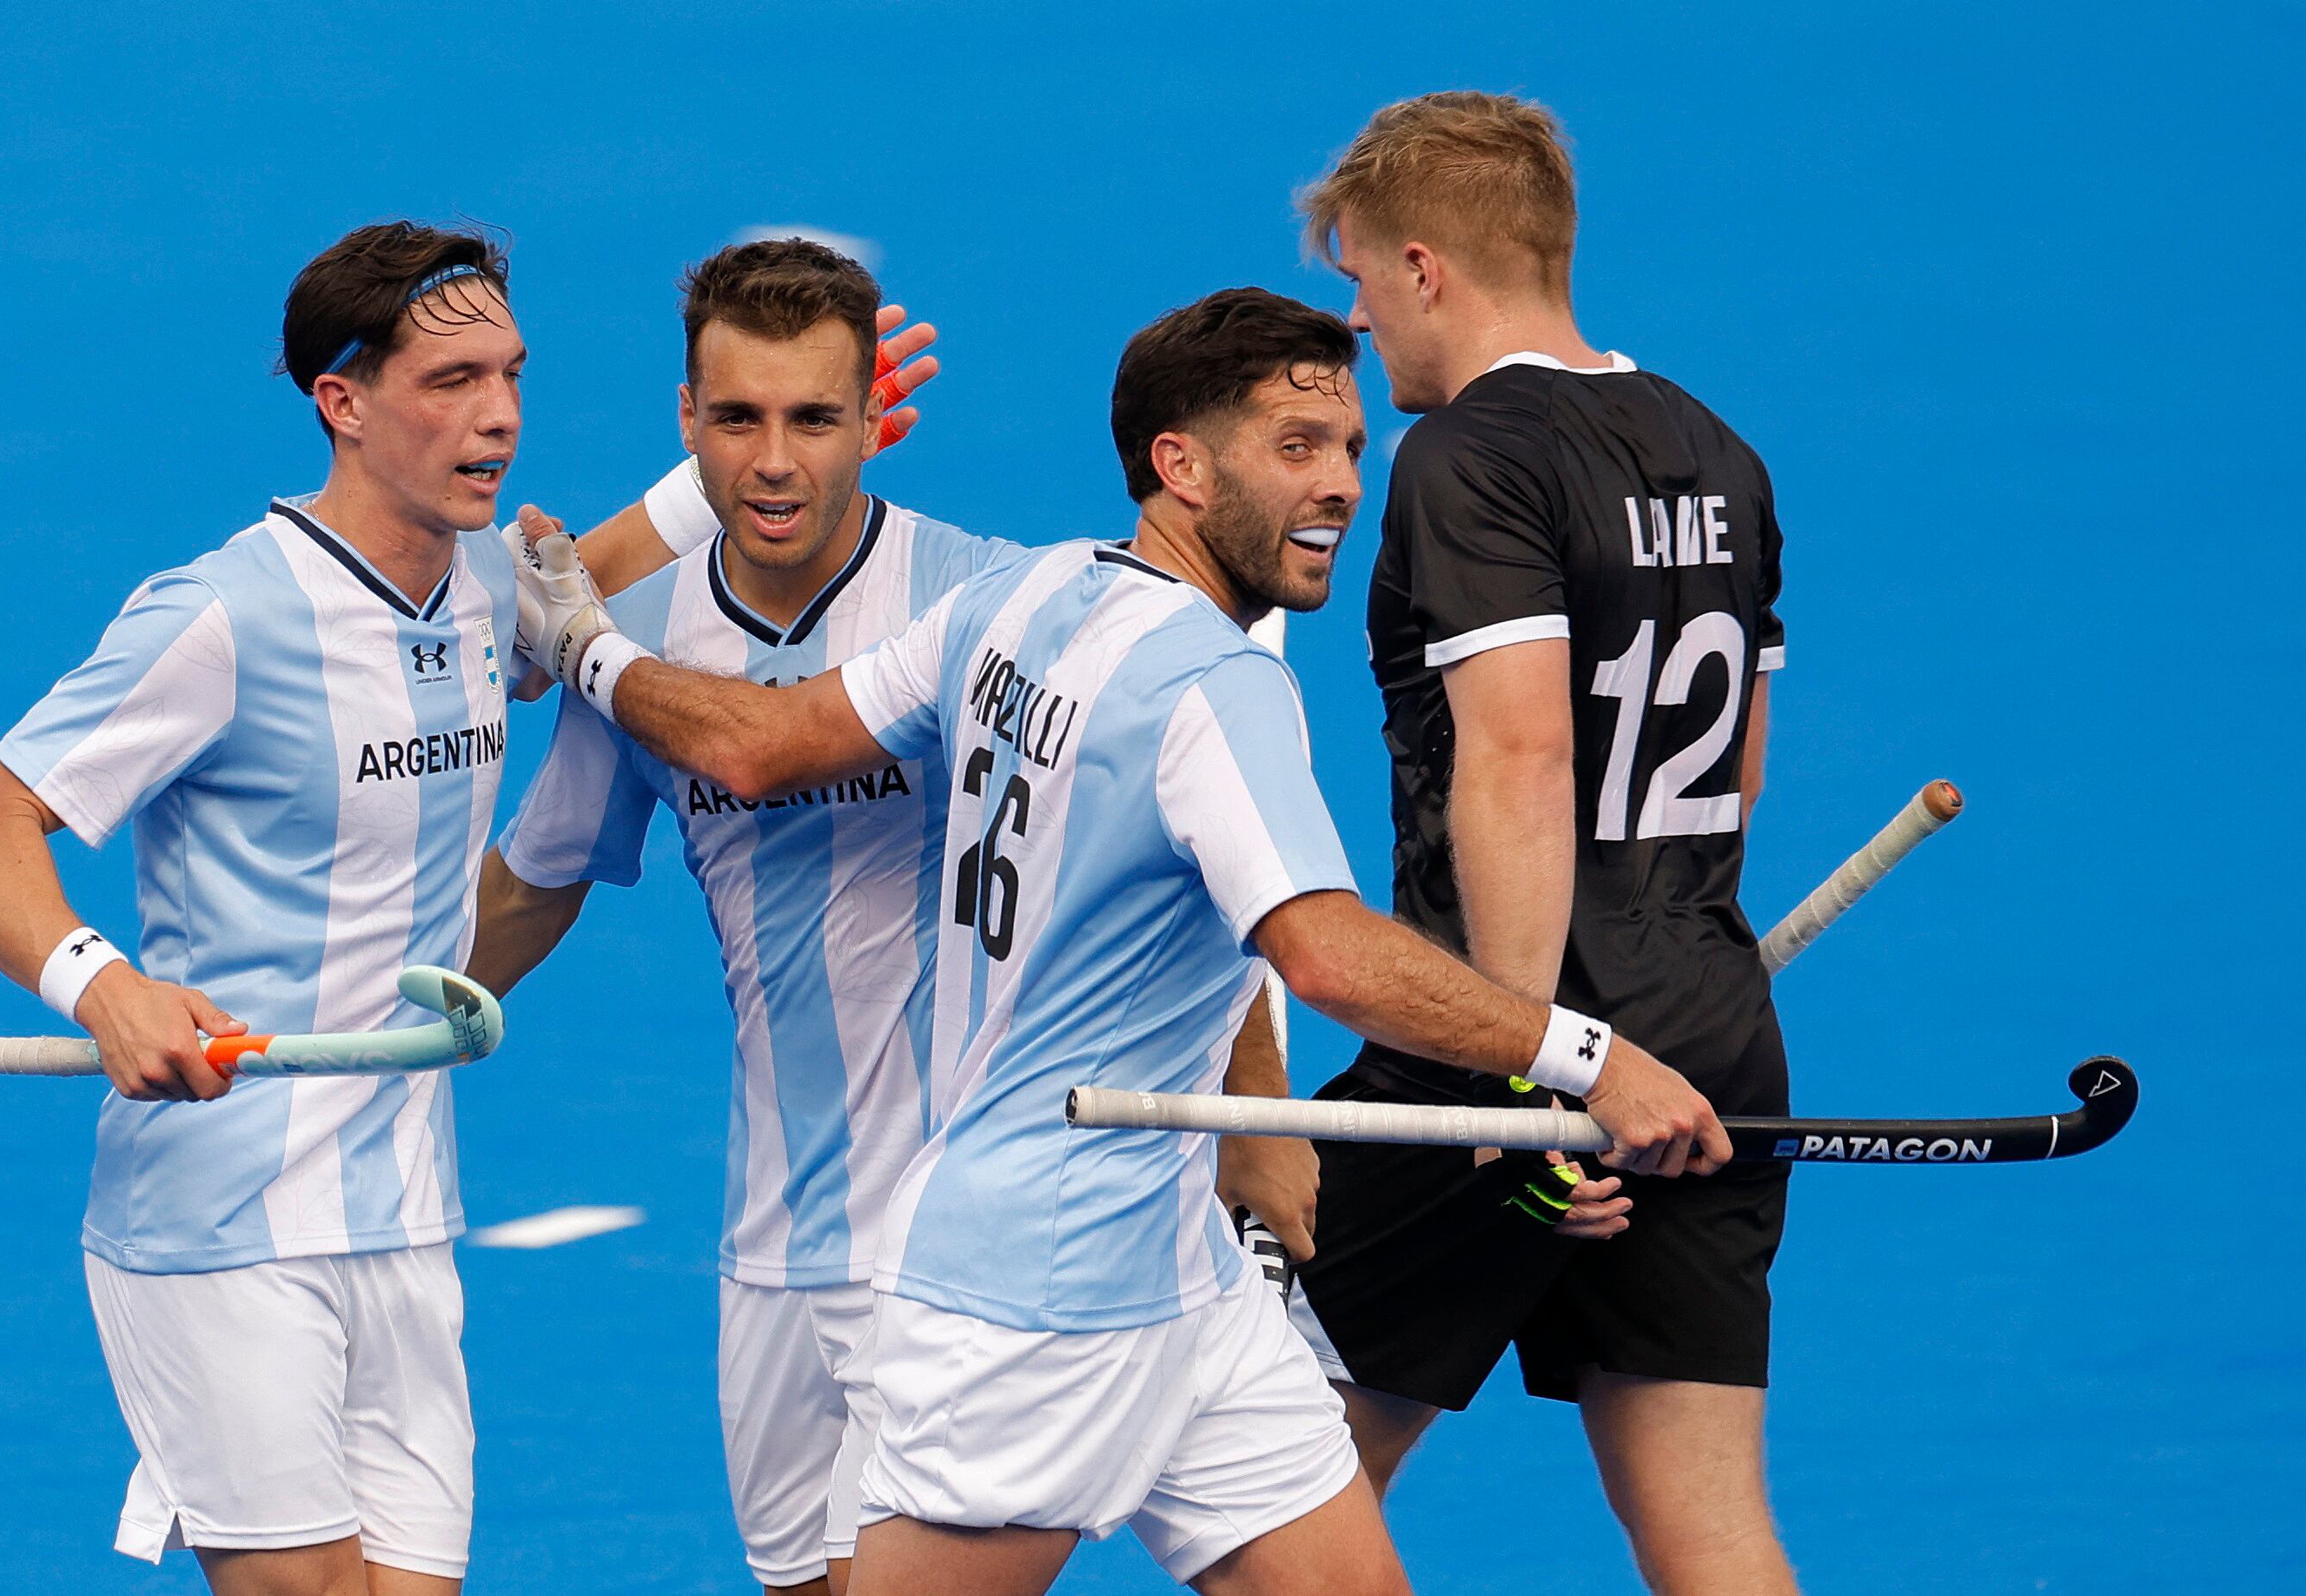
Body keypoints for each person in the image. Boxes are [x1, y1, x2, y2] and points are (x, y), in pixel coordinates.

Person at [510, 287, 1727, 1596]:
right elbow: (1318, 949)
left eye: (1348, 449)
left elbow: (770, 737)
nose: (1338, 489)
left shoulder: (1019, 597)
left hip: (1173, 1267)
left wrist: (582, 636)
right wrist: (1586, 1056)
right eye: (1295, 449)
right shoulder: (1216, 687)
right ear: (1181, 467)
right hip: (1028, 1293)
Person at [0, 222, 534, 1595]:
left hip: (407, 1210)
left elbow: (588, 573)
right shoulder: (223, 616)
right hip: (220, 1216)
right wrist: (100, 981)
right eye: (449, 382)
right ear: (344, 403)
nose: (495, 414)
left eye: (509, 374)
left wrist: (758, 472)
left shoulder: (487, 583)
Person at [1290, 91, 1799, 1594]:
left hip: (1511, 1047)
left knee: (1267, 1486)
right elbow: (1736, 779)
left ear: (1428, 266)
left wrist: (1529, 1061)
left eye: (1366, 284)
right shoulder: (1721, 454)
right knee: (1705, 1528)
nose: (1364, 324)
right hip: (1705, 1028)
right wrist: (1659, 990)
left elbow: (1517, 758)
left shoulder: (1469, 457)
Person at [466, 238, 1025, 1596]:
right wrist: (352, 1043)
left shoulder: (988, 603)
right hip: (773, 1238)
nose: (775, 462)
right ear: (685, 425)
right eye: (739, 419)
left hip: (960, 1235)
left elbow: (1171, 847)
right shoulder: (649, 615)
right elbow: (537, 879)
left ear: (870, 426)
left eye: (814, 420)